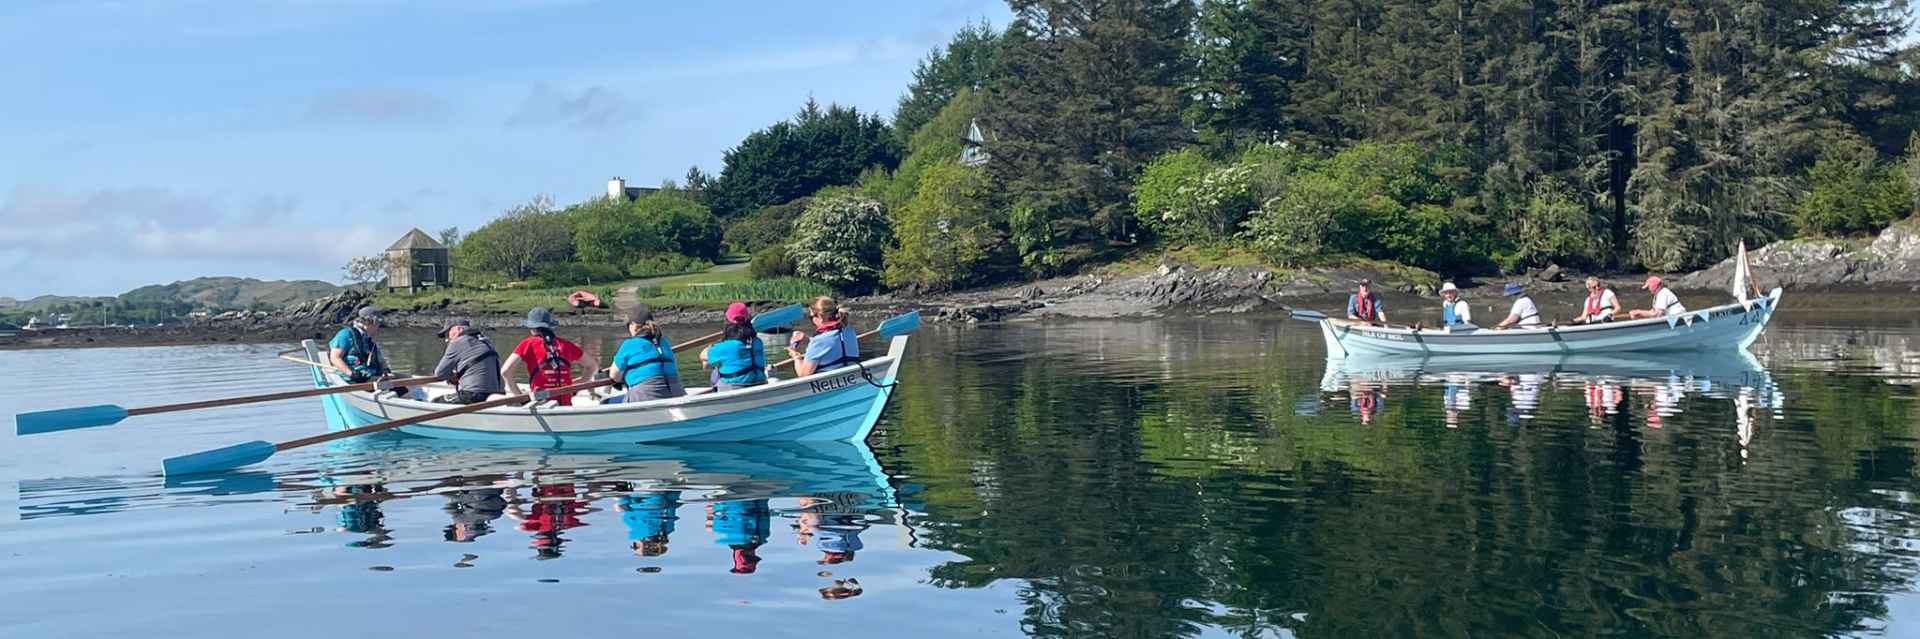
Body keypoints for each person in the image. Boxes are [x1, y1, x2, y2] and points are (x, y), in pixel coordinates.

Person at [500, 308, 597, 407]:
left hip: (541, 405)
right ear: (550, 326)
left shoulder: (528, 343)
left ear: (532, 328)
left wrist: (520, 398)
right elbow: (592, 366)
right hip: (566, 405)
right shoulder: (566, 344)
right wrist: (577, 386)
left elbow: (505, 371)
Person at [607, 305, 686, 402]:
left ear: (632, 325)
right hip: (676, 391)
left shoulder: (629, 344)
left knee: (605, 403)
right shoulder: (663, 341)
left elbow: (614, 376)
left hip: (647, 393)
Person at [430, 318, 504, 404]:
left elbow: (439, 374)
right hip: (496, 394)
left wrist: (451, 376)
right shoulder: (486, 340)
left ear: (459, 329)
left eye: (447, 334)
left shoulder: (458, 342)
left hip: (474, 395)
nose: (447, 339)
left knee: (436, 401)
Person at [787, 296, 859, 377]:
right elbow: (830, 343)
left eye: (811, 317)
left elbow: (803, 374)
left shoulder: (818, 341)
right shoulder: (849, 330)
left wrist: (796, 356)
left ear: (820, 317)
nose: (812, 321)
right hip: (853, 376)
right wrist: (808, 340)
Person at [703, 302, 767, 392]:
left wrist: (712, 347)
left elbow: (702, 355)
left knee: (712, 368)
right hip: (760, 384)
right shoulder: (757, 342)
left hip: (734, 388)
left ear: (727, 322)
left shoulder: (725, 347)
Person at [329, 306, 391, 383]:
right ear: (369, 321)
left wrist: (385, 370)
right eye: (377, 323)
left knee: (403, 381)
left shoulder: (368, 339)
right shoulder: (345, 334)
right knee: (396, 387)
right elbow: (335, 358)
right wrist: (351, 373)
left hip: (370, 377)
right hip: (351, 379)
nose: (378, 326)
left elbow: (379, 359)